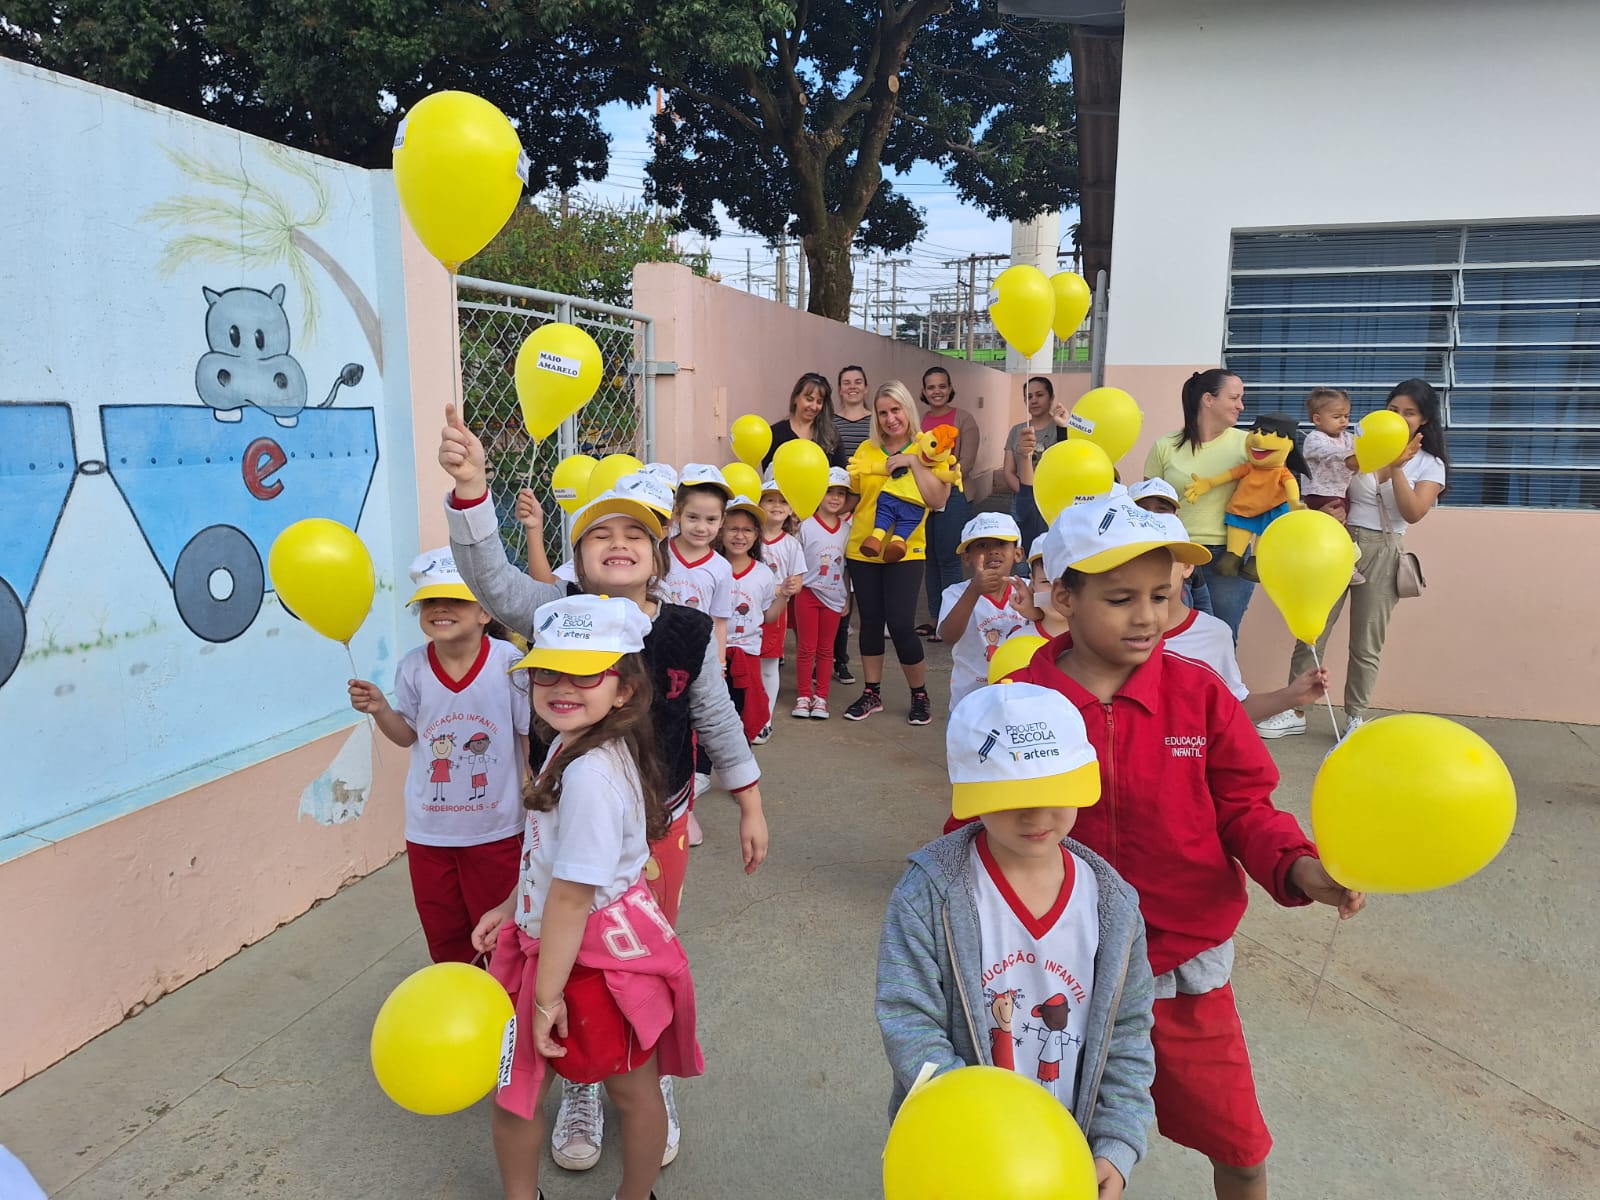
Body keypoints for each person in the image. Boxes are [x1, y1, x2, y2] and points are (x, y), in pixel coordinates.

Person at [437, 403, 768, 1174]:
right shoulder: (554, 613)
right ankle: (582, 1081)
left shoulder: (686, 630)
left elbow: (716, 717)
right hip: (568, 819)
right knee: (568, 941)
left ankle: (639, 1064)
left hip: (662, 824)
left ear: (659, 558)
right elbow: (488, 578)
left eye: (634, 535)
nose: (617, 543)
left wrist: (750, 801)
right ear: (577, 562)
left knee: (634, 955)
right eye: (598, 534)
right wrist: (472, 492)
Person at [1013, 494, 1365, 1200]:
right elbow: (978, 828)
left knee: (1241, 1150)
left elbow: (1246, 806)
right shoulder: (1020, 702)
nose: (1147, 617)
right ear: (1064, 598)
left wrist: (1299, 867)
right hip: (1058, 974)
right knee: (1057, 1154)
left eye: (1161, 595)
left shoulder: (1200, 696)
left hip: (1183, 968)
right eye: (1121, 599)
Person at [876, 681, 1156, 1200]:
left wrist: (1116, 1142)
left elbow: (1129, 1034)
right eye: (1010, 797)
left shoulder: (1113, 906)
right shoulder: (930, 893)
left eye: (1053, 792)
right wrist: (976, 1124)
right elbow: (908, 1018)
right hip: (961, 1147)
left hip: (1063, 1155)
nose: (1036, 816)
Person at [472, 593, 703, 1200]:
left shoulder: (591, 775)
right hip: (554, 946)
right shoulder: (568, 744)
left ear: (624, 688)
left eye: (585, 672)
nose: (562, 685)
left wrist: (545, 998)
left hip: (592, 963)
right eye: (547, 671)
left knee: (624, 1089)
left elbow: (573, 899)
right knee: (524, 1092)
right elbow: (549, 860)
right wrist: (511, 905)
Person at [347, 549, 530, 965]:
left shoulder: (510, 664)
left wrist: (536, 796)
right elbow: (407, 735)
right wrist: (380, 710)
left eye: (456, 600)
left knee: (501, 935)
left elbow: (526, 736)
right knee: (445, 936)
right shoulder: (413, 667)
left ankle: (502, 997)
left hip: (497, 830)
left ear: (485, 611)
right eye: (430, 601)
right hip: (429, 833)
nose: (440, 609)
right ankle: (456, 995)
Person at [1258, 379, 1450, 740]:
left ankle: (1355, 717)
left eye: (1409, 413)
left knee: (1366, 642)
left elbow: (1413, 513)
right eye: (1393, 410)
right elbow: (1325, 482)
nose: (1399, 418)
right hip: (1336, 542)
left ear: (1424, 419)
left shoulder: (1429, 463)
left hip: (1382, 548)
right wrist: (1321, 511)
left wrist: (1396, 466)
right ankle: (1294, 710)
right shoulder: (1354, 445)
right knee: (1312, 630)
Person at [844, 382, 954, 726]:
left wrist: (912, 462)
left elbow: (938, 500)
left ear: (908, 409)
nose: (890, 418)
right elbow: (855, 497)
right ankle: (872, 692)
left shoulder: (929, 448)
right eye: (883, 412)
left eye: (896, 409)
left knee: (901, 624)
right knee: (870, 622)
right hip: (864, 547)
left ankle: (919, 694)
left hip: (906, 551)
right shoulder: (866, 449)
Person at [1143, 369, 1252, 640]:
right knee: (1171, 637)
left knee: (1223, 637)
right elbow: (1147, 505)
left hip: (1228, 556)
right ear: (1208, 399)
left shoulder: (1248, 445)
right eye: (1234, 398)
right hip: (1174, 554)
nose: (1241, 406)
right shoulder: (1165, 446)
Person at [934, 512, 1027, 710]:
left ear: (1018, 553)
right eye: (982, 545)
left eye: (1001, 543)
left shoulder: (1028, 590)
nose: (993, 551)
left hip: (1021, 698)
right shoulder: (955, 593)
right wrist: (974, 591)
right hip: (971, 701)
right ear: (967, 557)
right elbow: (948, 636)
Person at [917, 366, 981, 641]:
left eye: (942, 386)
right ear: (924, 391)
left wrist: (939, 483)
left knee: (949, 559)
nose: (937, 391)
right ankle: (934, 618)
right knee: (929, 559)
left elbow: (966, 462)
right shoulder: (919, 422)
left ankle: (951, 620)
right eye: (931, 387)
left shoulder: (964, 419)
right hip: (922, 496)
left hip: (953, 494)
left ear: (950, 388)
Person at [717, 495, 788, 743]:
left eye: (747, 530)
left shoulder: (763, 573)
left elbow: (768, 616)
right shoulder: (713, 567)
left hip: (747, 655)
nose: (740, 536)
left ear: (757, 534)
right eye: (733, 529)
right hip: (713, 654)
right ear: (721, 530)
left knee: (743, 713)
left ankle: (740, 755)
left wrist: (784, 595)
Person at [791, 469, 852, 719]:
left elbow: (847, 567)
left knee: (827, 649)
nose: (835, 498)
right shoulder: (805, 526)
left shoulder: (847, 530)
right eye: (829, 492)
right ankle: (804, 695)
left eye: (841, 493)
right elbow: (795, 562)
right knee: (806, 648)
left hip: (835, 598)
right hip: (808, 593)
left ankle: (821, 698)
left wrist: (847, 597)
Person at [666, 464, 736, 661]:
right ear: (677, 514)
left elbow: (719, 620)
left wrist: (720, 663)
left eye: (711, 519)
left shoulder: (722, 568)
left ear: (722, 521)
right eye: (693, 517)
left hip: (700, 658)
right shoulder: (658, 554)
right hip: (657, 653)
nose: (701, 527)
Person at [831, 365, 873, 685]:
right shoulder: (830, 423)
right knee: (831, 582)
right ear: (840, 389)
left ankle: (842, 658)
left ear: (866, 387)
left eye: (858, 381)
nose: (852, 387)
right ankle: (828, 656)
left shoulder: (877, 422)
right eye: (846, 383)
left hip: (868, 511)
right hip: (836, 507)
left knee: (850, 588)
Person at [756, 477, 805, 741]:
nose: (776, 506)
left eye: (783, 501)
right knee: (744, 665)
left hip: (775, 613)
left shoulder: (791, 544)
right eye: (770, 500)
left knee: (768, 666)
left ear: (791, 508)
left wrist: (786, 588)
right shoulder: (748, 538)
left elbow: (797, 582)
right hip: (745, 610)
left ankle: (764, 720)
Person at [1299, 387, 1364, 585]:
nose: (1343, 421)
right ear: (1318, 419)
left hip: (1341, 491)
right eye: (1337, 417)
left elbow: (1360, 446)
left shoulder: (1346, 437)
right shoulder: (1314, 439)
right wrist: (1350, 457)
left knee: (1339, 526)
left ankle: (1337, 563)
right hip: (1320, 493)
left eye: (1346, 416)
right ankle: (1347, 566)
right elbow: (1327, 452)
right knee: (1338, 530)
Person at [1002, 375, 1068, 557]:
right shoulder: (1017, 430)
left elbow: (1067, 464)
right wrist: (1027, 493)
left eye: (1039, 395)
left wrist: (1064, 427)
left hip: (1053, 502)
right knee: (1023, 554)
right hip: (1022, 500)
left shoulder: (1061, 428)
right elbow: (1008, 472)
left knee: (1050, 555)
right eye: (1029, 397)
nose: (1034, 400)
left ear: (1051, 398)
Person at [763, 372, 845, 470]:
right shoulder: (775, 433)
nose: (814, 407)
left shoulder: (831, 434)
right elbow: (769, 474)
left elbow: (841, 473)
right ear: (795, 398)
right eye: (809, 399)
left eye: (819, 402)